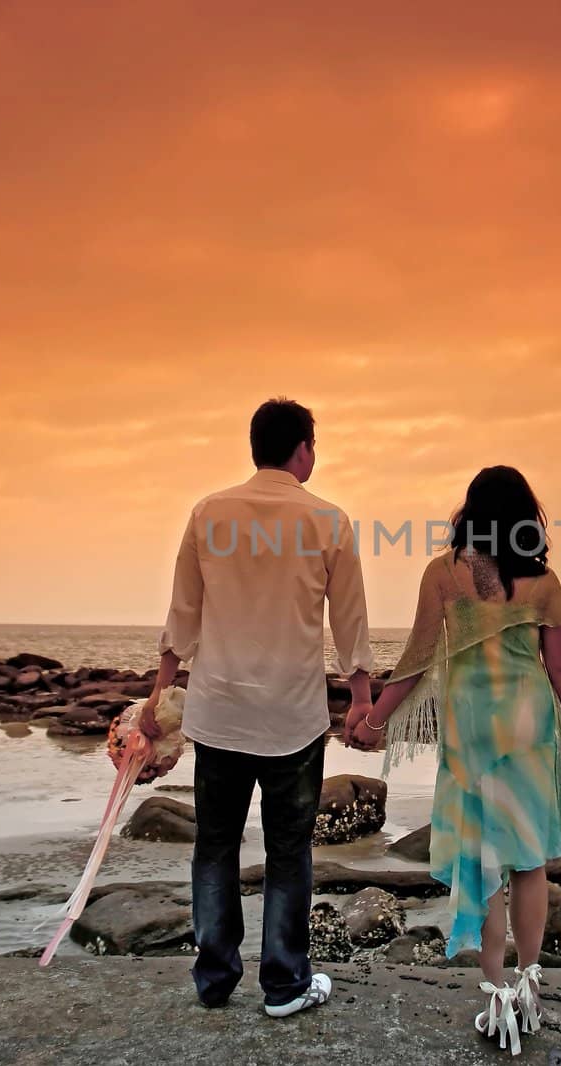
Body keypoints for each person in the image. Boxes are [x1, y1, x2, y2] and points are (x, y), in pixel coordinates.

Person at [136, 398, 372, 1019]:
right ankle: (285, 985)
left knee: (214, 846)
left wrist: (157, 698)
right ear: (302, 449)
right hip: (292, 717)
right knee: (289, 851)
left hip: (219, 713)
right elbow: (350, 621)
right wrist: (363, 697)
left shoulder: (209, 512)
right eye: (313, 446)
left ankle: (215, 981)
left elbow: (181, 616)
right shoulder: (329, 520)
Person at [348, 466, 561, 1057]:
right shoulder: (543, 580)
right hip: (529, 723)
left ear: (471, 513)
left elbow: (416, 659)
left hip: (472, 727)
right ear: (527, 518)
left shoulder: (444, 573)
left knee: (484, 862)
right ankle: (529, 989)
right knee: (530, 860)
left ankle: (497, 996)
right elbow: (559, 668)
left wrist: (374, 720)